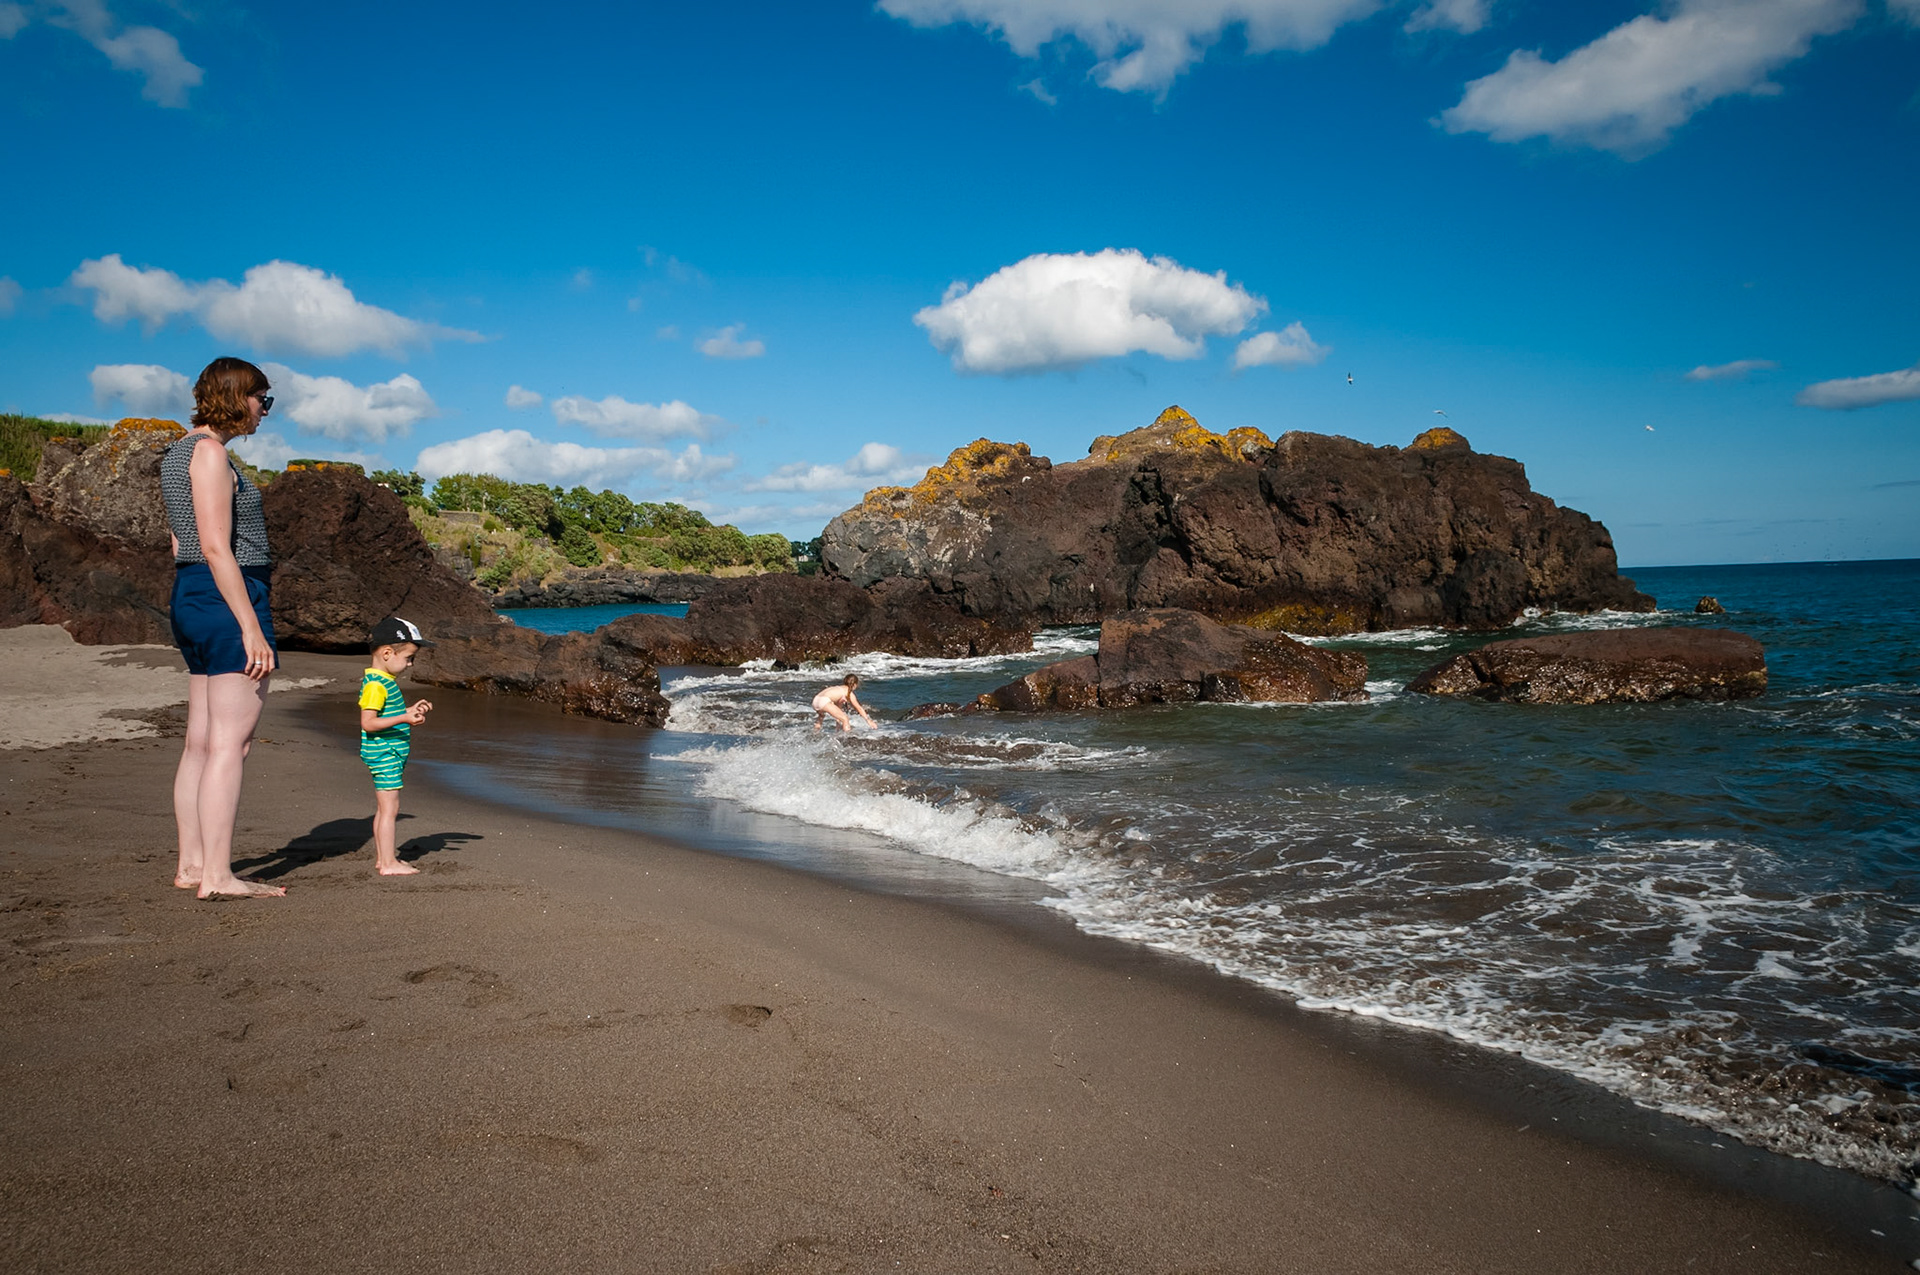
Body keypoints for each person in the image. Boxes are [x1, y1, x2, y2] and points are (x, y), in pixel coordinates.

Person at [164, 357, 284, 899]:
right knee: (229, 746)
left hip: (192, 593)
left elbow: (180, 541)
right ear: (238, 396)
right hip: (227, 595)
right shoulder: (210, 454)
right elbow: (216, 546)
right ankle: (216, 875)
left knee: (201, 743)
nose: (266, 410)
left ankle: (193, 864)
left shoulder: (178, 452)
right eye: (264, 399)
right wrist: (251, 627)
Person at [359, 617, 436, 876]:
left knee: (385, 809)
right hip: (384, 753)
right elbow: (369, 723)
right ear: (387, 653)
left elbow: (385, 715)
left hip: (388, 751)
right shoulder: (375, 685)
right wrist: (404, 718)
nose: (410, 664)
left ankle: (384, 859)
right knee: (390, 809)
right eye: (409, 658)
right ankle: (389, 863)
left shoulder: (383, 681)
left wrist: (407, 711)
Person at [811, 673, 876, 732]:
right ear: (855, 685)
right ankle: (847, 739)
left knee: (821, 716)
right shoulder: (849, 693)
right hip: (824, 701)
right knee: (845, 719)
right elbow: (859, 708)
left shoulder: (839, 688)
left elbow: (838, 710)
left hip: (815, 700)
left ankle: (815, 733)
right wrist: (868, 720)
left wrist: (838, 726)